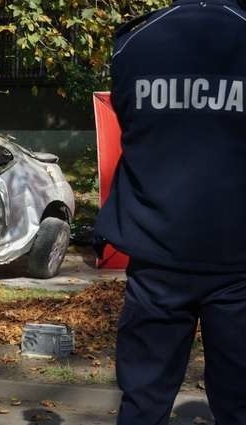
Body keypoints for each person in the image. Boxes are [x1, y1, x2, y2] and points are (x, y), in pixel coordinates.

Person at [94, 1, 246, 424]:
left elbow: (131, 123)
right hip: (237, 258)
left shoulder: (135, 42)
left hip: (156, 253)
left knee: (143, 401)